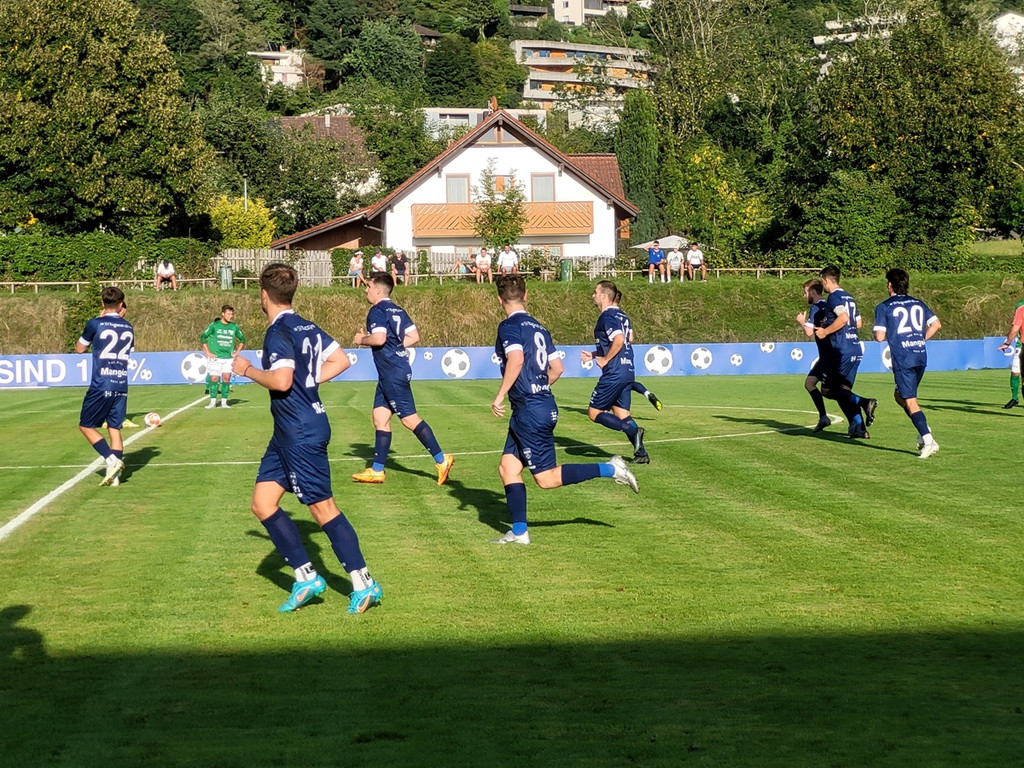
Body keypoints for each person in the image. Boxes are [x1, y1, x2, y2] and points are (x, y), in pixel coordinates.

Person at [231, 263, 382, 614]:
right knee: (263, 503)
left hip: (300, 431)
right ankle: (306, 578)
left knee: (322, 508)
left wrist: (248, 370)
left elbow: (282, 381)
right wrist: (309, 381)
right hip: (288, 432)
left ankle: (364, 583)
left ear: (264, 295)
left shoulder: (278, 332)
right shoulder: (306, 325)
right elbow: (341, 360)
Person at [491, 274, 639, 545]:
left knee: (546, 479)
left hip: (530, 411)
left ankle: (611, 469)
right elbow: (557, 368)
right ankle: (520, 532)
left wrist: (501, 394)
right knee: (507, 467)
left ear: (500, 300)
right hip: (537, 405)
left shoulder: (508, 326)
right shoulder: (539, 327)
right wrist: (538, 389)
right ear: (526, 296)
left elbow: (516, 358)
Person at [351, 271, 455, 485]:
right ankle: (377, 470)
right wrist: (396, 347)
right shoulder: (398, 310)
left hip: (392, 372)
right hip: (391, 370)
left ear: (378, 290)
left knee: (409, 419)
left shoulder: (377, 310)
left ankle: (442, 459)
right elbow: (414, 336)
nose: (366, 290)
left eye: (368, 286)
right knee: (380, 418)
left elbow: (379, 339)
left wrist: (361, 339)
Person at [874, 268, 942, 459]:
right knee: (900, 395)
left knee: (910, 401)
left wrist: (891, 333)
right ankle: (923, 429)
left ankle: (928, 440)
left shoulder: (885, 306)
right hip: (920, 355)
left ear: (890, 285)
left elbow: (879, 336)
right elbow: (936, 325)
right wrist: (920, 339)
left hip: (903, 358)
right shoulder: (918, 303)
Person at [580, 280, 650, 463]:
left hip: (614, 372)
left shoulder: (607, 316)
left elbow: (618, 340)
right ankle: (641, 454)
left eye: (595, 292)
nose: (593, 295)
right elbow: (626, 340)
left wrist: (605, 360)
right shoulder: (622, 315)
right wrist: (594, 354)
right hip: (627, 369)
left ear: (604, 296)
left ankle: (633, 430)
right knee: (622, 414)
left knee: (594, 413)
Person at [76, 287, 133, 487]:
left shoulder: (95, 323)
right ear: (121, 304)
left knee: (86, 425)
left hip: (101, 383)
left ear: (102, 303)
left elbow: (80, 348)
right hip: (121, 383)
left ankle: (111, 460)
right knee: (114, 428)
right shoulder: (128, 327)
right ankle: (114, 478)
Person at [814, 265, 876, 439]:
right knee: (845, 391)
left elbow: (843, 318)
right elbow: (858, 323)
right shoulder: (849, 297)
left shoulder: (833, 297)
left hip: (841, 349)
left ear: (826, 280)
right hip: (855, 347)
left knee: (827, 390)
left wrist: (826, 331)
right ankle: (859, 428)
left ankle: (865, 402)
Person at [796, 278, 833, 431]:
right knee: (809, 383)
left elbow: (809, 332)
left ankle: (863, 403)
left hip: (828, 356)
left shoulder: (816, 307)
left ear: (812, 292)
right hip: (827, 355)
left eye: (805, 292)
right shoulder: (828, 305)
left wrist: (802, 321)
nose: (804, 296)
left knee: (832, 391)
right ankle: (823, 417)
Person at [200, 304, 246, 409]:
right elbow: (203, 337)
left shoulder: (234, 327)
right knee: (214, 378)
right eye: (228, 314)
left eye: (232, 314)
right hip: (216, 357)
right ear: (223, 314)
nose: (231, 316)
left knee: (226, 378)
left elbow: (242, 339)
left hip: (228, 358)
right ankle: (212, 402)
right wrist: (208, 352)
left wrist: (237, 352)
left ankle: (224, 402)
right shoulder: (214, 325)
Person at [1000, 283, 1024, 408]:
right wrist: (1009, 341)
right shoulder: (1020, 306)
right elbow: (1016, 327)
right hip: (1021, 344)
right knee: (1015, 372)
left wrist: (1006, 343)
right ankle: (1014, 398)